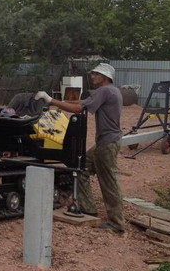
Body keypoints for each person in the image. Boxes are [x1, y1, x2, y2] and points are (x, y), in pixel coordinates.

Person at [34, 62, 125, 234]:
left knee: (109, 181)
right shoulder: (111, 91)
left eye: (96, 74)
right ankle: (88, 208)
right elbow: (81, 102)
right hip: (105, 142)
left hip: (107, 144)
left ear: (105, 77)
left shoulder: (105, 91)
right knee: (81, 167)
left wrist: (50, 100)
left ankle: (117, 223)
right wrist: (59, 101)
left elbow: (78, 108)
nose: (92, 76)